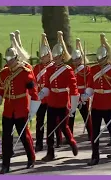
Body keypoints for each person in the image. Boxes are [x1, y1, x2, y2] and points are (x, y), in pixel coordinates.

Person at [0, 44, 40, 174]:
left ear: (16, 58)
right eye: (7, 60)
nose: (9, 62)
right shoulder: (3, 73)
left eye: (11, 59)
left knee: (24, 136)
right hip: (8, 108)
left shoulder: (25, 72)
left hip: (21, 107)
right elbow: (1, 90)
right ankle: (5, 164)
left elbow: (34, 92)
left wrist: (33, 109)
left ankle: (31, 157)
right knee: (6, 137)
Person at [81, 33, 111, 166]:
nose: (100, 62)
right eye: (98, 59)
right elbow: (91, 86)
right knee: (95, 131)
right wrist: (85, 95)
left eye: (102, 59)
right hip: (96, 104)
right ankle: (95, 156)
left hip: (109, 103)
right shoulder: (93, 69)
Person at [38, 31, 79, 161]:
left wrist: (73, 105)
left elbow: (73, 88)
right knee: (49, 127)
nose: (55, 60)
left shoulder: (68, 69)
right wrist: (42, 92)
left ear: (62, 57)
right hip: (52, 101)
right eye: (54, 57)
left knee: (63, 126)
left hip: (62, 99)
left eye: (57, 57)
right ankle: (50, 152)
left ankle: (72, 142)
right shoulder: (49, 70)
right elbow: (47, 85)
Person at [33, 33, 63, 152]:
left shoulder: (53, 67)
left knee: (54, 121)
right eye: (40, 56)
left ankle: (58, 139)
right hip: (40, 96)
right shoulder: (36, 68)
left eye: (44, 56)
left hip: (50, 96)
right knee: (39, 121)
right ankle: (39, 143)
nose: (42, 58)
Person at [68, 38, 93, 140]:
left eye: (77, 59)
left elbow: (90, 82)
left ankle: (91, 133)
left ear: (81, 59)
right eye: (74, 60)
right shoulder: (71, 69)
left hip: (83, 94)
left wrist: (86, 94)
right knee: (71, 116)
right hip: (74, 94)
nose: (75, 62)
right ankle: (70, 136)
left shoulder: (86, 69)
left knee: (86, 115)